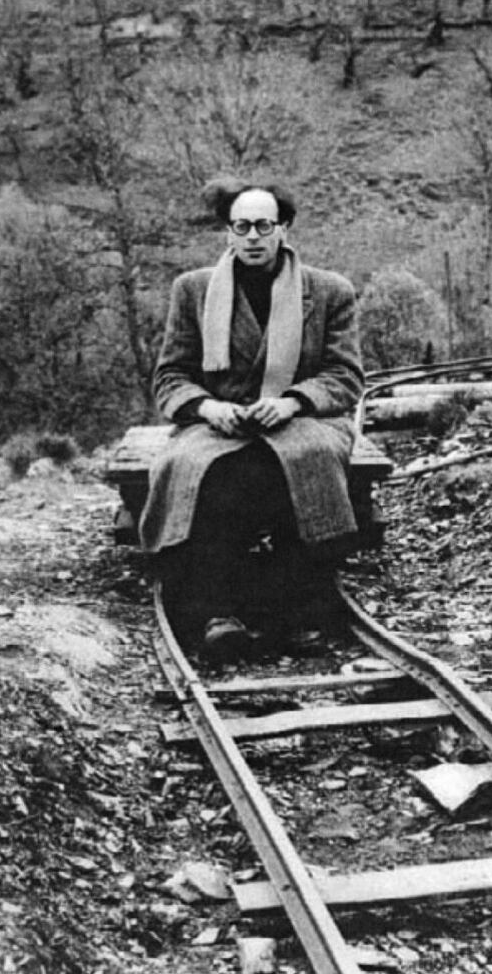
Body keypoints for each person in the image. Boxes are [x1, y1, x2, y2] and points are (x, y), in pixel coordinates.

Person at [138, 176, 364, 661]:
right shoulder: (193, 290)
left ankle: (298, 611)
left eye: (264, 225)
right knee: (202, 470)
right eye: (242, 226)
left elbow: (345, 376)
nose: (253, 237)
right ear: (228, 233)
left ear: (284, 228)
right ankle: (217, 612)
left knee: (306, 461)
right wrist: (208, 407)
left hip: (305, 419)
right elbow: (171, 376)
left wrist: (293, 401)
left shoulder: (328, 292)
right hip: (219, 423)